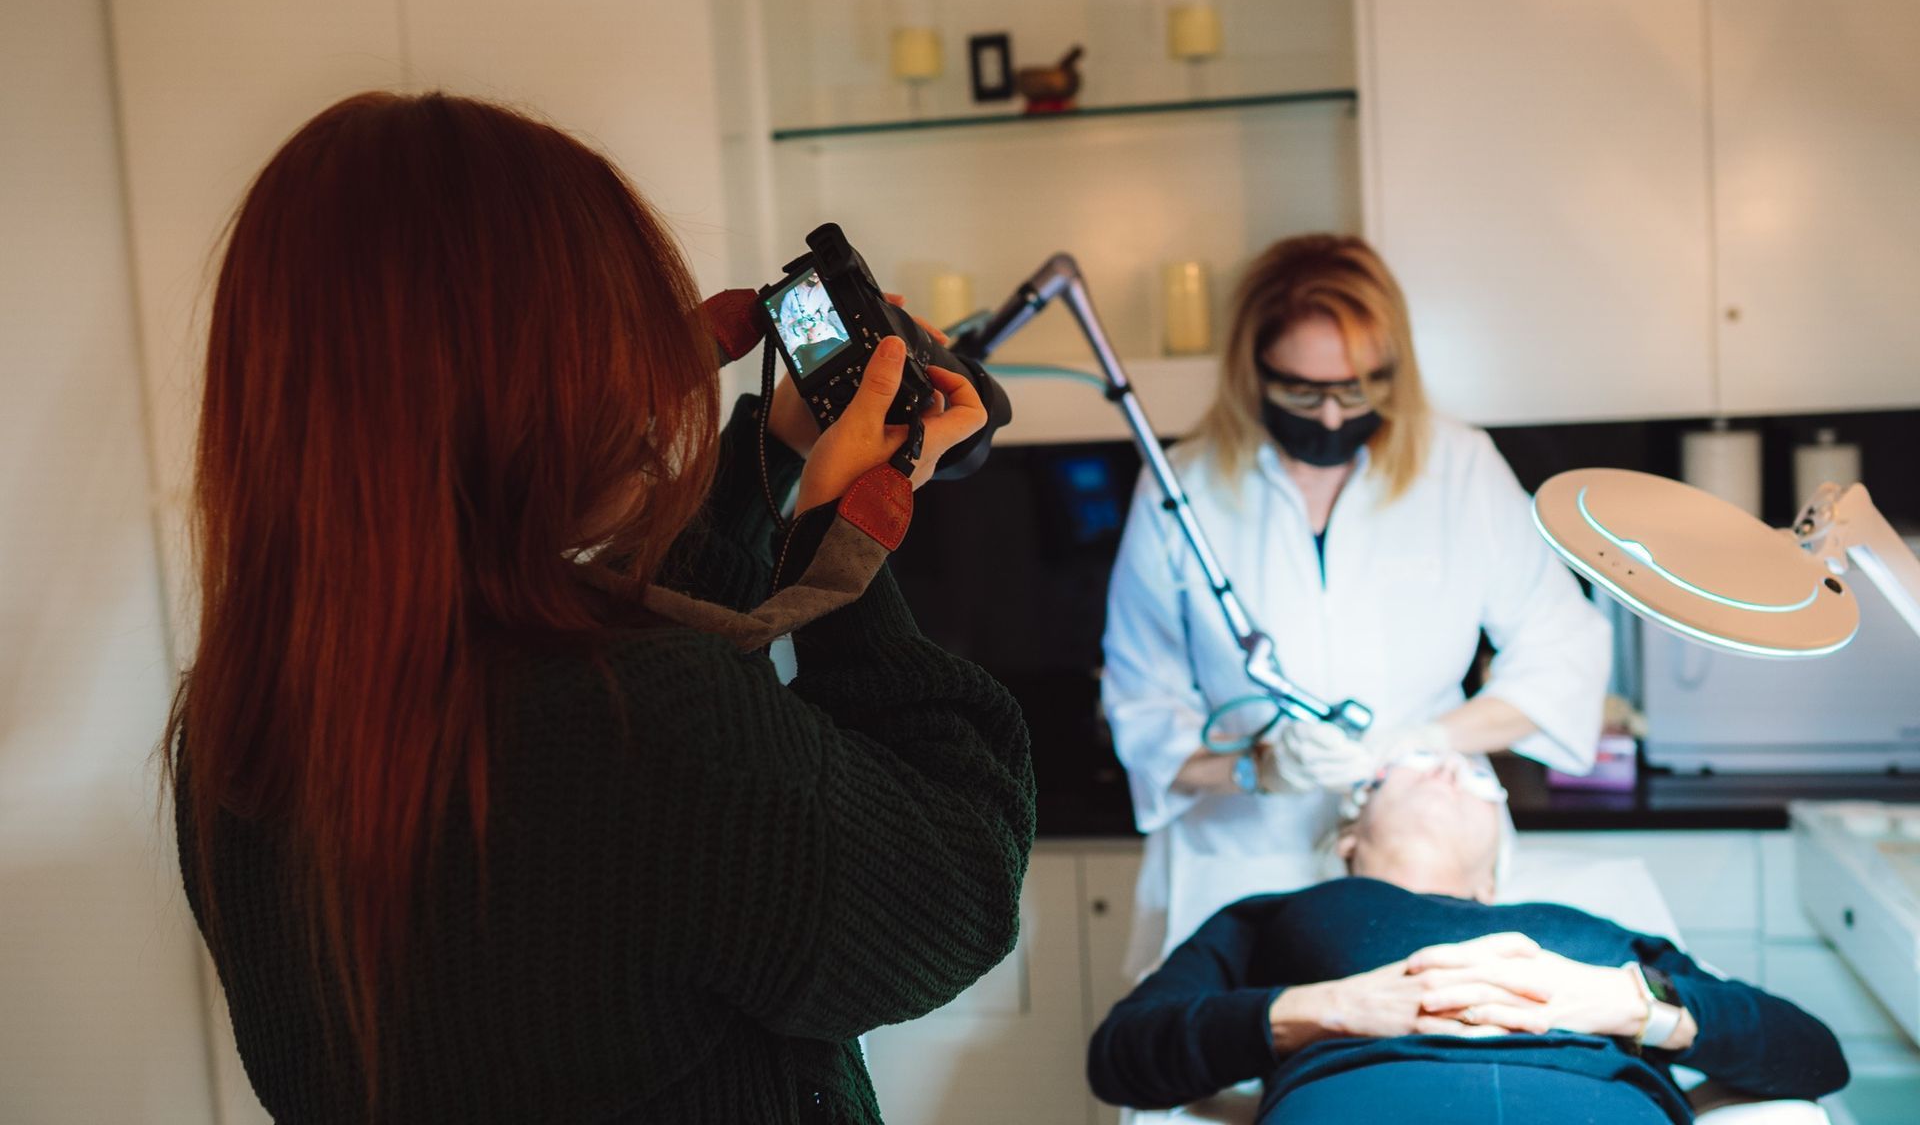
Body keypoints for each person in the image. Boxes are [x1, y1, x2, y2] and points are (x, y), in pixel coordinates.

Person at [163, 91, 1036, 1125]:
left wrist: (780, 456)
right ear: (509, 379)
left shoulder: (239, 725)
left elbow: (629, 811)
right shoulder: (639, 723)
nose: (650, 377)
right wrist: (844, 534)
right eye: (611, 335)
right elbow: (954, 884)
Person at [1100, 234, 1613, 972]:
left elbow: (1563, 652)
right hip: (1239, 863)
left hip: (1424, 870)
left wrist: (1424, 740)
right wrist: (1255, 768)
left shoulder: (1458, 469)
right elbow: (1142, 709)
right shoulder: (1183, 490)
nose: (1335, 418)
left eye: (1360, 387)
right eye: (1304, 392)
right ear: (1253, 372)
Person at [1087, 754, 1849, 1124]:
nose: (1447, 768)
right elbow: (1121, 1056)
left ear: (1496, 868)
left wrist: (1630, 1004)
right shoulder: (1273, 916)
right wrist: (1329, 1009)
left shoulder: (1607, 940)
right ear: (1348, 832)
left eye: (1478, 778)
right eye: (1404, 766)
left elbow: (1813, 1054)